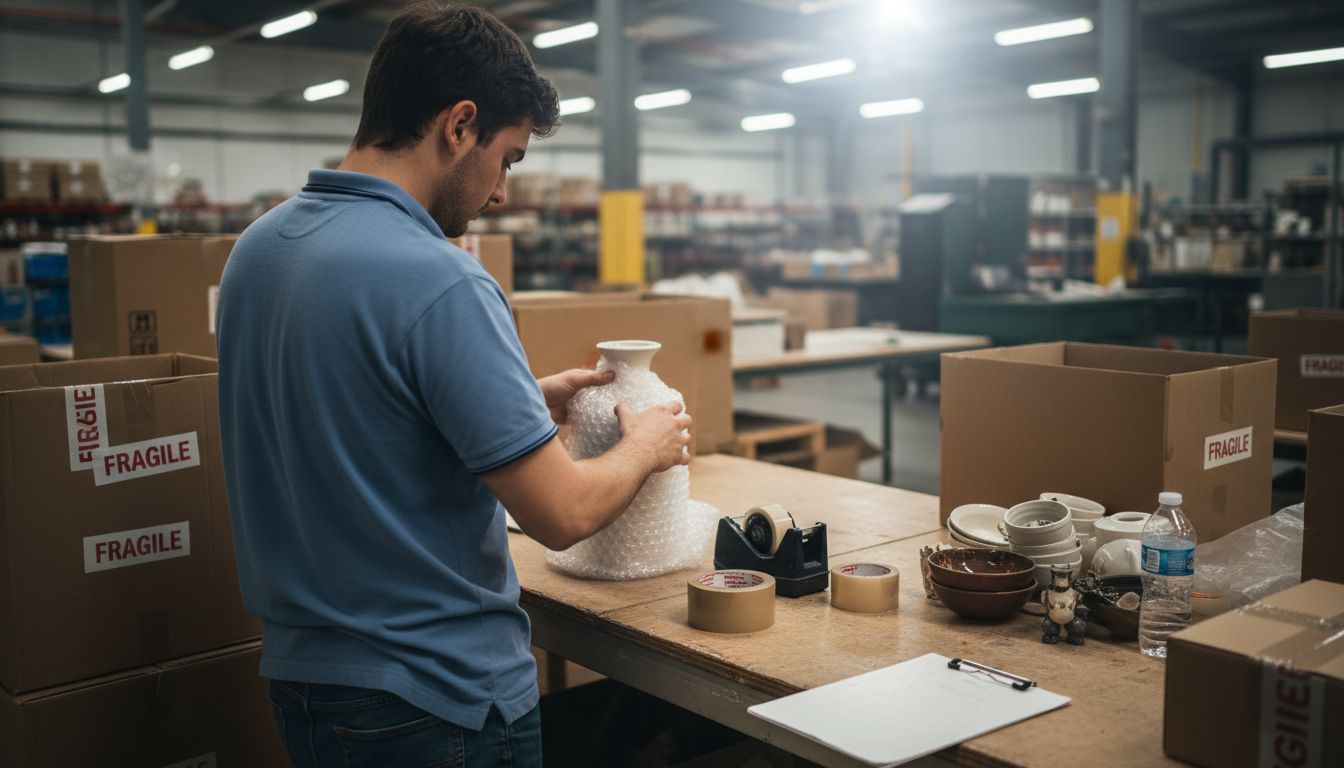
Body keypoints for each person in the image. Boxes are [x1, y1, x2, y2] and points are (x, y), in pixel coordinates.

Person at [215, 4, 691, 766]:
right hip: (436, 700)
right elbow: (562, 515)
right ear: (459, 125)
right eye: (507, 158)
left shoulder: (258, 252)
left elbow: (348, 417)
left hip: (308, 684)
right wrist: (646, 447)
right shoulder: (443, 282)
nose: (501, 191)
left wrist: (517, 406)